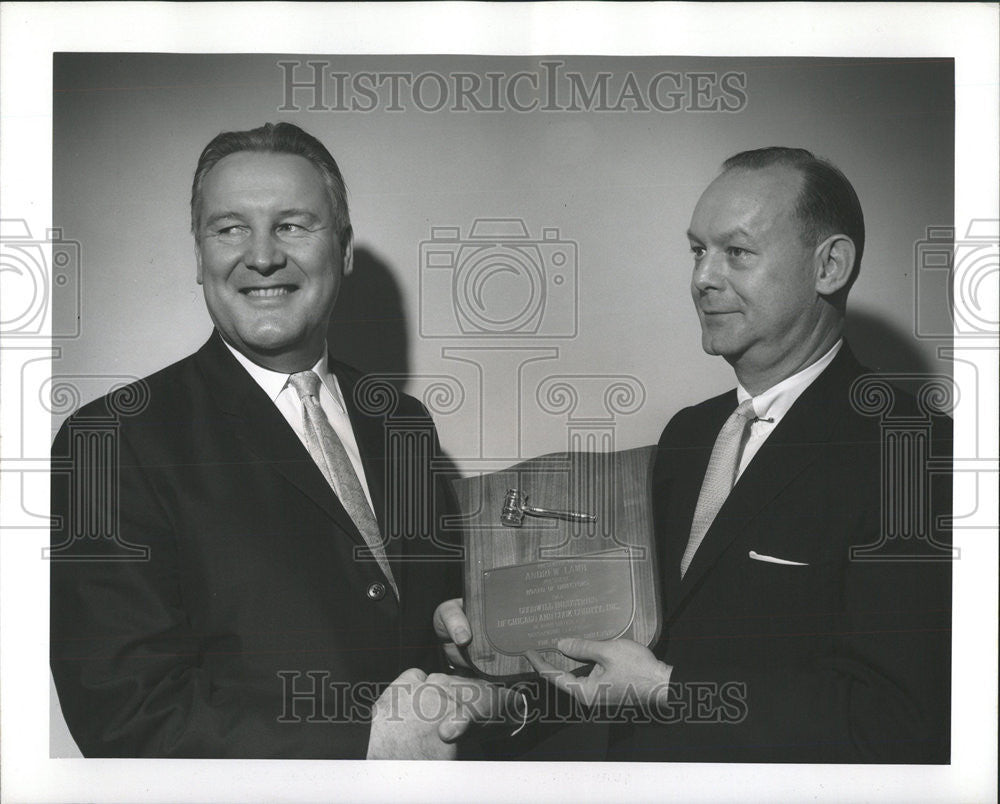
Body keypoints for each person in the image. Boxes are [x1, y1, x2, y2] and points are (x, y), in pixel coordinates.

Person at [437, 147, 952, 763]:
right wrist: (495, 656)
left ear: (830, 266)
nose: (702, 278)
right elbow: (615, 651)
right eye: (697, 250)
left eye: (736, 252)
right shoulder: (689, 434)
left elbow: (895, 721)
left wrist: (665, 691)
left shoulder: (912, 453)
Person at [50, 122, 489, 759]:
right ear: (199, 256)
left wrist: (465, 646)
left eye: (291, 224)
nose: (261, 256)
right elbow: (124, 714)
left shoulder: (404, 424)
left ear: (341, 250)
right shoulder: (110, 442)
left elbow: (415, 633)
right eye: (229, 228)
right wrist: (360, 744)